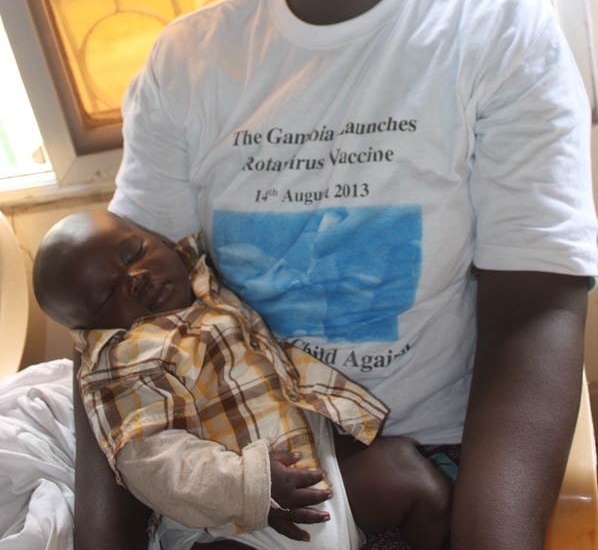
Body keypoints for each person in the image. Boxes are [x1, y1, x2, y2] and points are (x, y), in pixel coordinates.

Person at [71, 0, 597, 550]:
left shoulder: (495, 33)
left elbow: (536, 308)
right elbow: (118, 329)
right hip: (234, 482)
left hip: (419, 470)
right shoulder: (190, 61)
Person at [33, 210, 451, 550]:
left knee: (413, 477)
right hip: (229, 519)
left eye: (134, 253)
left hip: (316, 475)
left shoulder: (207, 288)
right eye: (108, 295)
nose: (135, 278)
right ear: (92, 332)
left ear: (157, 238)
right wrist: (250, 485)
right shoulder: (123, 362)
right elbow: (155, 461)